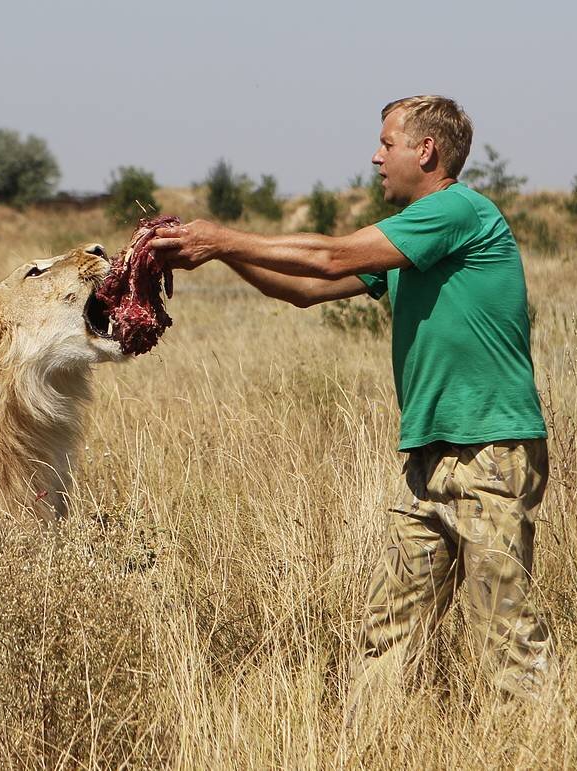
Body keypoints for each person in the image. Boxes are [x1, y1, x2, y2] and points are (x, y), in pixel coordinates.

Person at [149, 95, 553, 719]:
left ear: (427, 151)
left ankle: (540, 748)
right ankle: (363, 745)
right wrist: (227, 253)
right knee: (388, 632)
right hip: (429, 458)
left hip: (491, 451)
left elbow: (330, 256)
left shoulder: (455, 210)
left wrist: (222, 236)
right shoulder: (411, 242)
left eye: (387, 144)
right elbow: (308, 289)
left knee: (505, 631)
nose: (375, 157)